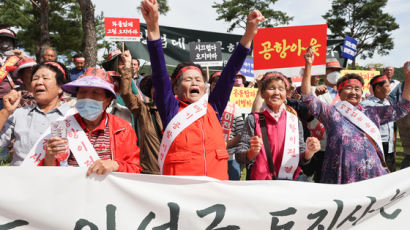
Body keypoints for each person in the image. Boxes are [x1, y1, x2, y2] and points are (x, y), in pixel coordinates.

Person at [141, 0, 264, 179]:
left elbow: (230, 72)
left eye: (198, 79)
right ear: (175, 87)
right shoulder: (171, 109)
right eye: (188, 79)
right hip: (182, 191)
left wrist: (249, 34)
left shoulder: (213, 107)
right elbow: (159, 71)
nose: (195, 83)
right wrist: (153, 27)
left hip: (216, 189)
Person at [301, 46, 410, 184]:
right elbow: (307, 97)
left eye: (357, 89)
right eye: (348, 88)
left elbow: (403, 108)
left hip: (371, 175)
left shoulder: (372, 112)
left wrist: (408, 77)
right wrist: (308, 65)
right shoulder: (331, 112)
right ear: (339, 93)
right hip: (341, 175)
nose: (353, 92)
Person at [44, 67, 141, 175]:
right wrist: (49, 157)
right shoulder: (63, 126)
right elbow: (51, 173)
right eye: (83, 92)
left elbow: (135, 169)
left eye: (95, 93)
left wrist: (115, 165)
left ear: (107, 99)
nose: (87, 98)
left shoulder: (122, 128)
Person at [236, 71, 320, 180]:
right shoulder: (253, 119)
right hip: (260, 183)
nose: (276, 92)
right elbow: (239, 154)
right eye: (271, 88)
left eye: (281, 89)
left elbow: (301, 157)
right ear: (262, 93)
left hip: (288, 182)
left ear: (286, 94)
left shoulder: (294, 120)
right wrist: (251, 153)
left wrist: (309, 151)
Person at [0, 61, 70, 165]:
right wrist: (5, 112)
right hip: (19, 179)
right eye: (35, 78)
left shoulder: (71, 115)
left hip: (55, 179)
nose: (39, 82)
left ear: (60, 87)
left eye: (45, 78)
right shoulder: (19, 114)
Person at [119, 51, 163, 174]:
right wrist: (127, 67)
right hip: (150, 172)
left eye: (164, 86)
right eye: (155, 87)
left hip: (176, 173)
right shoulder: (144, 109)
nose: (160, 90)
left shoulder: (181, 112)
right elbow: (126, 93)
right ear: (150, 92)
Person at [209, 71, 244, 180]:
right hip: (209, 158)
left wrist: (226, 145)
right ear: (210, 86)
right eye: (215, 85)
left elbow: (241, 133)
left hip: (230, 158)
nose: (219, 88)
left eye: (222, 85)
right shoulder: (201, 107)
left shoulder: (234, 108)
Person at [361, 75, 395, 172]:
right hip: (376, 146)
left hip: (389, 146)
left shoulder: (387, 102)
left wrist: (393, 143)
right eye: (387, 86)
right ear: (378, 88)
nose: (389, 89)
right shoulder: (366, 105)